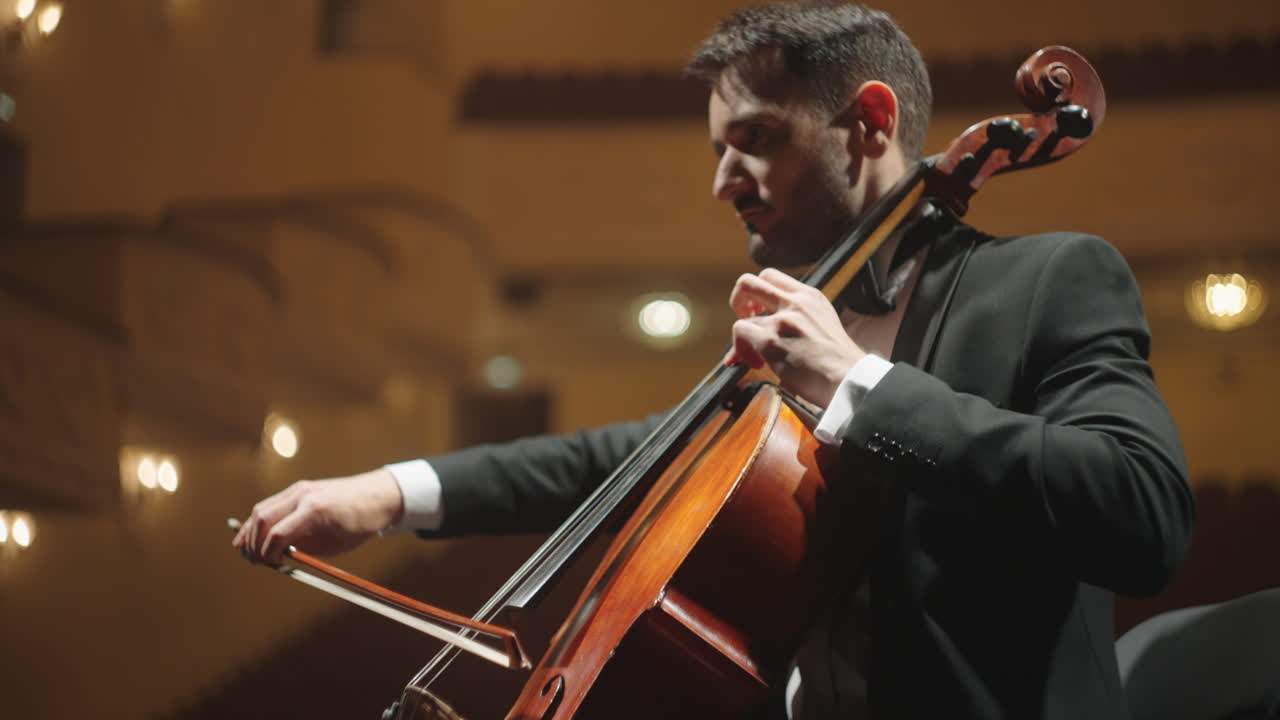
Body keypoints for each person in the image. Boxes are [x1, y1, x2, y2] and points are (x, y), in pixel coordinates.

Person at [234, 3, 1195, 718]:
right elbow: (607, 462)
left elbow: (1142, 512)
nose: (721, 181)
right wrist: (385, 493)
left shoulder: (1048, 281)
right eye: (718, 148)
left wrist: (856, 385)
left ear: (868, 121)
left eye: (755, 142)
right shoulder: (787, 338)